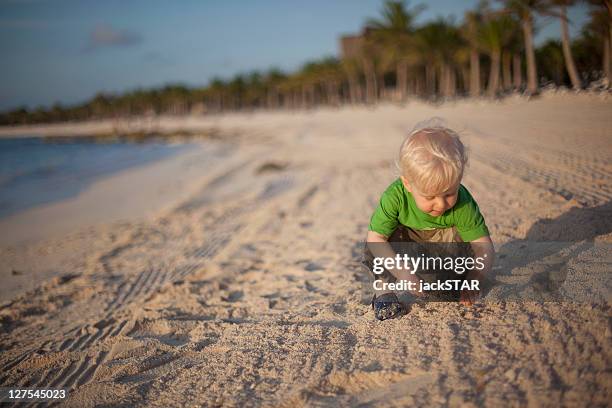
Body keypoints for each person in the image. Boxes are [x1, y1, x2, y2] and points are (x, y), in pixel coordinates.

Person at [364, 125, 495, 321]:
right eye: (430, 196)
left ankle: (452, 282)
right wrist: (403, 273)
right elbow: (376, 239)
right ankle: (384, 294)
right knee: (377, 241)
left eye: (449, 193)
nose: (441, 204)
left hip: (442, 256)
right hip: (406, 255)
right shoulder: (395, 197)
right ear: (408, 184)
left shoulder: (463, 202)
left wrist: (474, 278)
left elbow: (483, 247)